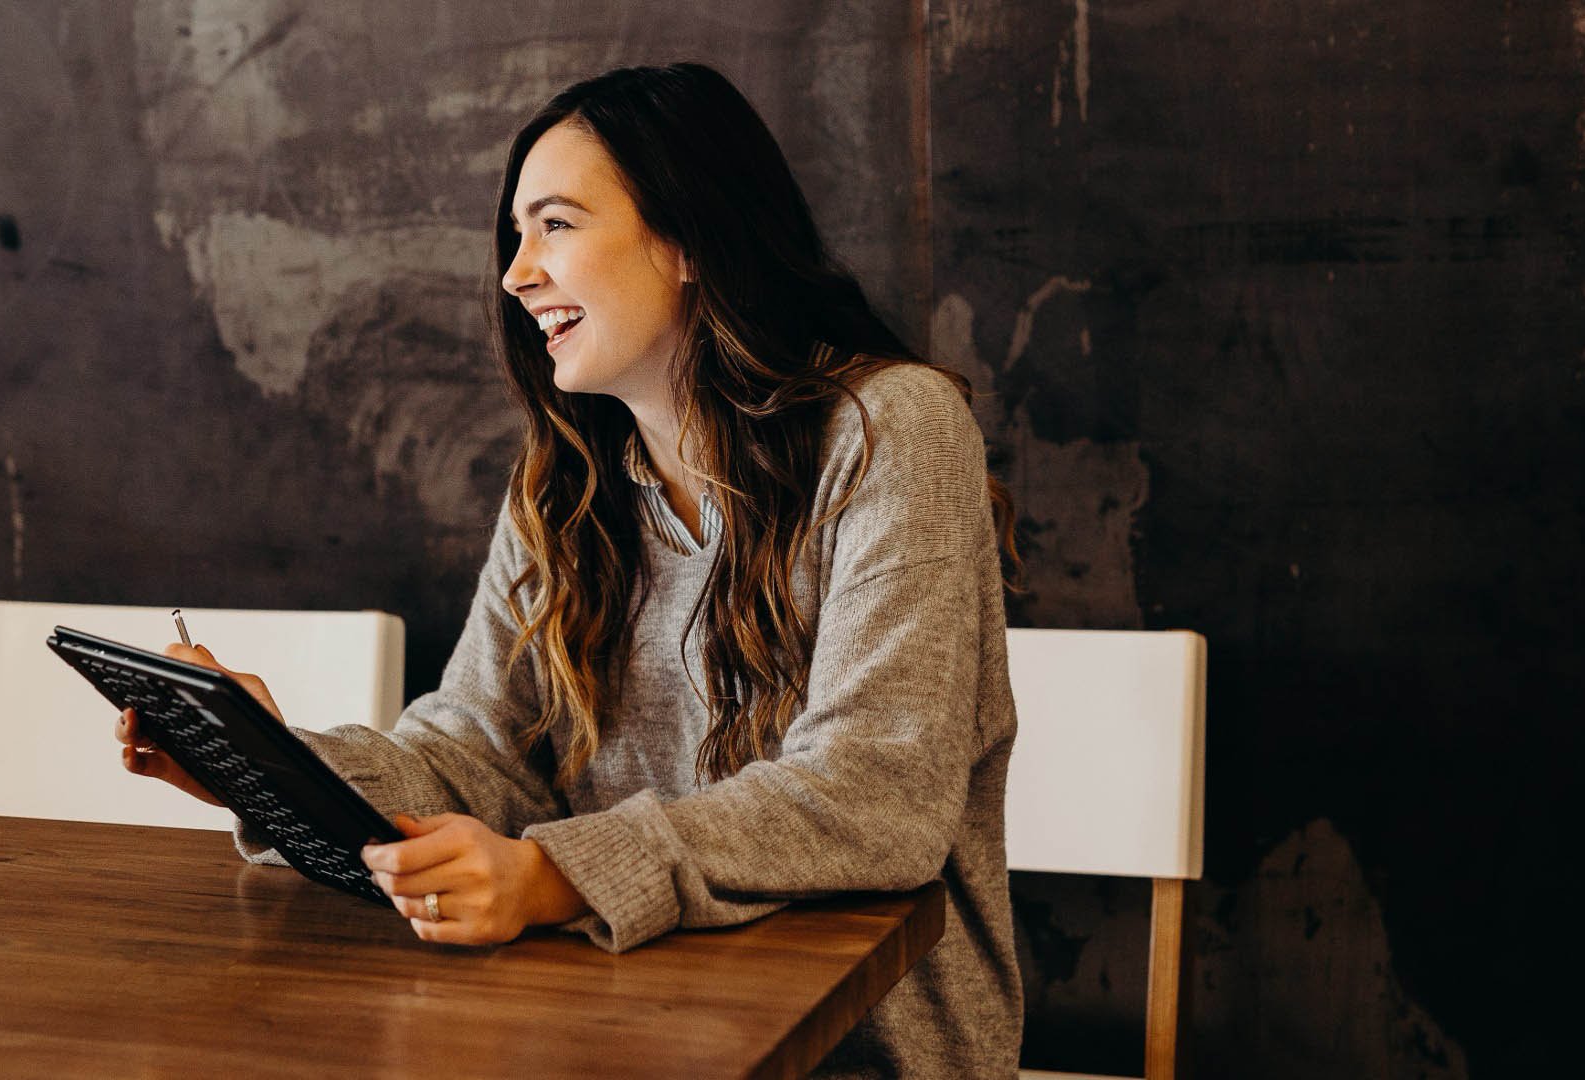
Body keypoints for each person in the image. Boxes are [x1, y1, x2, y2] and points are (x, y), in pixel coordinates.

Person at [113, 61, 1024, 1077]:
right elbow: (476, 757)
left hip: (855, 1050)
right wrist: (272, 766)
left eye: (554, 224)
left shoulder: (890, 430)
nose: (515, 274)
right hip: (616, 1027)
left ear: (686, 239)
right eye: (515, 235)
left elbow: (875, 795)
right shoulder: (566, 484)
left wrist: (555, 876)